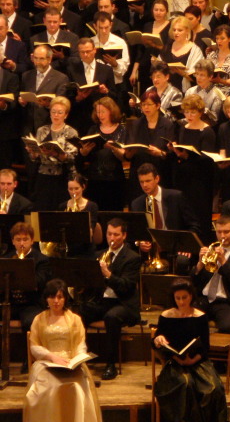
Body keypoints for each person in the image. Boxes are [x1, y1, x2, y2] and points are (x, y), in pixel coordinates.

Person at [25, 278, 102, 422]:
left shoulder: (75, 319)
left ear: (65, 298)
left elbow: (80, 343)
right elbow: (34, 346)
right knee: (49, 387)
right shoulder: (38, 319)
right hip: (47, 363)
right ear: (46, 298)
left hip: (70, 362)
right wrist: (51, 357)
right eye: (52, 297)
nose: (56, 301)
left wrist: (77, 358)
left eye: (60, 297)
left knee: (77, 387)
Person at [153, 278, 227, 422]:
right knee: (185, 384)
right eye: (178, 298)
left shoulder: (200, 316)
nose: (181, 302)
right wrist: (158, 339)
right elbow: (157, 341)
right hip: (175, 362)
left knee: (214, 387)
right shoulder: (166, 316)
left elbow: (205, 346)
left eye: (184, 297)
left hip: (197, 361)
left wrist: (192, 360)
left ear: (191, 296)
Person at [80, 218, 141, 381]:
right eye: (109, 234)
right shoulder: (99, 255)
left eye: (116, 234)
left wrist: (107, 274)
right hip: (104, 302)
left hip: (124, 304)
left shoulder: (132, 258)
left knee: (111, 317)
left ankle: (111, 364)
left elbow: (126, 287)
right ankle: (80, 357)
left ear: (124, 235)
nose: (112, 238)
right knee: (80, 310)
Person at [168, 94, 216, 242]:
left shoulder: (207, 131)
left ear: (200, 112)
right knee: (184, 215)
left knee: (199, 217)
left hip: (199, 182)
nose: (189, 115)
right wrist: (174, 150)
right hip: (183, 178)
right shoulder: (182, 128)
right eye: (187, 112)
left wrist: (188, 156)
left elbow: (208, 158)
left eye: (193, 112)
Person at [4, 222, 49, 372]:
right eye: (18, 240)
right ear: (13, 241)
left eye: (25, 239)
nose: (22, 243)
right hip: (11, 302)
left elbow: (40, 282)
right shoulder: (6, 259)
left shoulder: (41, 260)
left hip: (31, 303)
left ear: (32, 240)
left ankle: (28, 358)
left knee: (30, 321)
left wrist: (23, 271)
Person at [27, 96, 79, 211]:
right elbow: (36, 158)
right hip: (43, 175)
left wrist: (56, 154)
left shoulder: (71, 132)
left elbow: (72, 157)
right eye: (53, 112)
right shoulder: (42, 130)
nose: (56, 115)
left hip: (62, 176)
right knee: (42, 209)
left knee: (59, 210)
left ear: (66, 115)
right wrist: (33, 152)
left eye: (60, 112)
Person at [76, 97, 127, 211]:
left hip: (114, 180)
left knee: (113, 212)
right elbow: (86, 156)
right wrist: (84, 152)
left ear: (111, 111)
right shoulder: (93, 129)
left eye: (103, 112)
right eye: (98, 112)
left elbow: (125, 157)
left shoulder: (122, 130)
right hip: (94, 179)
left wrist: (113, 148)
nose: (100, 115)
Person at [124, 91, 175, 202]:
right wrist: (131, 151)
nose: (146, 107)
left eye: (149, 104)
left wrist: (160, 153)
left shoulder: (167, 125)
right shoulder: (135, 124)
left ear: (157, 105)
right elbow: (127, 155)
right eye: (143, 104)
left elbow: (172, 154)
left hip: (159, 172)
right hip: (139, 172)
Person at [129, 162, 201, 235]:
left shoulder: (176, 197)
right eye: (141, 182)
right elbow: (137, 232)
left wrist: (182, 239)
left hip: (175, 240)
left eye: (148, 181)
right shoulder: (137, 204)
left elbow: (194, 225)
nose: (145, 185)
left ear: (157, 179)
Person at [66, 38, 117, 136]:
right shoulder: (72, 69)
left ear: (94, 50)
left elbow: (114, 94)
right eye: (82, 52)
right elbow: (68, 96)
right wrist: (78, 98)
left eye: (88, 51)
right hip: (79, 116)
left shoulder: (106, 69)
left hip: (100, 116)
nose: (85, 55)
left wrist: (106, 91)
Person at [159, 15, 203, 92]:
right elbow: (160, 67)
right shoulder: (167, 47)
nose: (176, 33)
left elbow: (199, 76)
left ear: (187, 31)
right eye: (174, 30)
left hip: (186, 91)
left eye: (179, 30)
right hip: (167, 90)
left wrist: (183, 74)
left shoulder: (195, 50)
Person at [58, 174, 102, 249]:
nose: (73, 192)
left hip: (86, 248)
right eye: (70, 189)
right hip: (68, 247)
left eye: (76, 188)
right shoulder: (62, 206)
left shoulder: (92, 206)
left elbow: (90, 232)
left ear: (83, 187)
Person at [29, 7, 79, 73]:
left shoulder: (72, 38)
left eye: (55, 22)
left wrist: (63, 58)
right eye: (49, 21)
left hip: (64, 73)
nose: (52, 25)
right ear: (44, 21)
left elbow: (76, 60)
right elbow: (29, 63)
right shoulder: (35, 39)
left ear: (60, 21)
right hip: (41, 72)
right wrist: (34, 60)